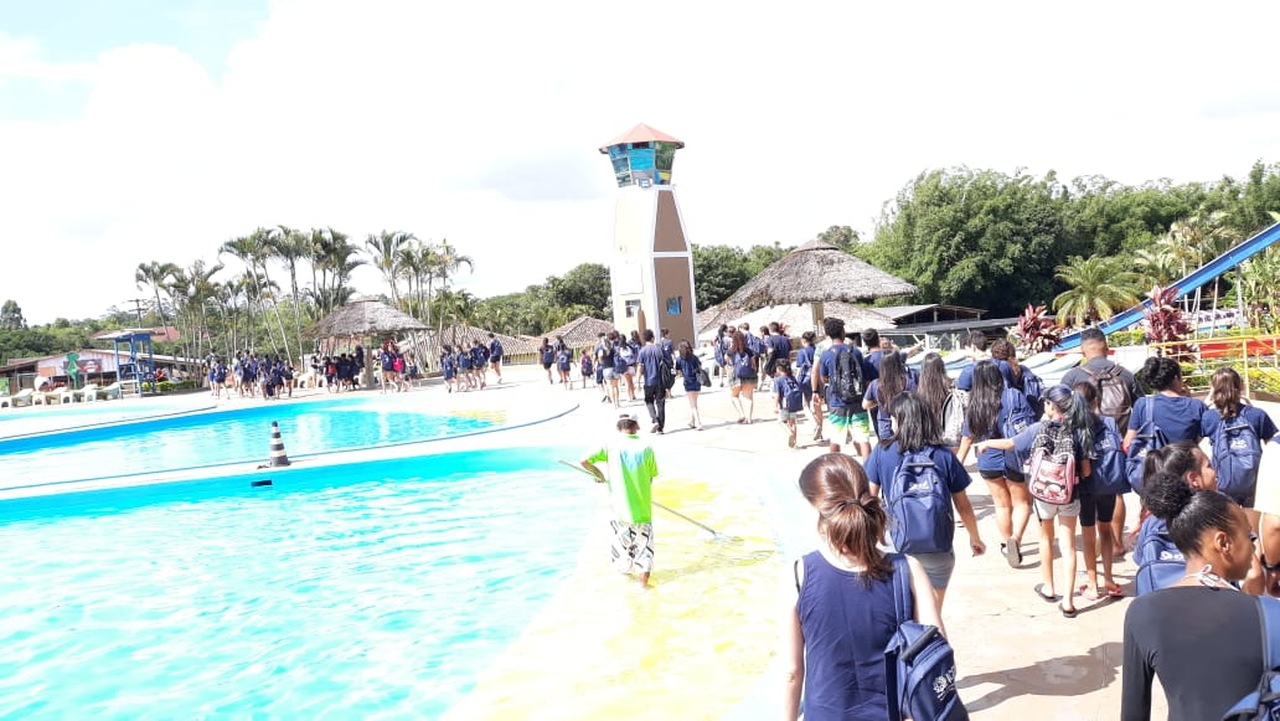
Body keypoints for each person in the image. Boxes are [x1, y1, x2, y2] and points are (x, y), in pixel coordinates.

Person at [782, 453, 944, 721]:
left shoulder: (800, 573)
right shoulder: (908, 568)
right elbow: (936, 649)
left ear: (817, 509)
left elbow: (792, 673)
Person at [1121, 471, 1266, 721]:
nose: (1254, 546)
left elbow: (1133, 714)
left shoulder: (1142, 611)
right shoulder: (1267, 615)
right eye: (1249, 536)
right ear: (1223, 543)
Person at [979, 385, 1093, 617]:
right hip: (1069, 494)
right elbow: (1086, 471)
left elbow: (1010, 444)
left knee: (1046, 539)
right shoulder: (1078, 431)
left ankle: (1049, 587)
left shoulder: (1038, 428)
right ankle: (1069, 602)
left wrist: (987, 443)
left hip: (1043, 494)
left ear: (1051, 406)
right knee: (1068, 546)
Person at [865, 393, 985, 613]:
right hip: (937, 545)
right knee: (932, 615)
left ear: (899, 419)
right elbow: (963, 505)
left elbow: (869, 500)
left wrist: (871, 540)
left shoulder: (882, 452)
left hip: (898, 545)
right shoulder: (943, 455)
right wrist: (975, 538)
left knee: (902, 613)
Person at [956, 360, 1035, 567]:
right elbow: (1029, 423)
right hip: (1013, 455)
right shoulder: (1013, 395)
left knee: (1001, 505)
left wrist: (957, 464)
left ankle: (1006, 542)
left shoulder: (974, 404)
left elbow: (967, 438)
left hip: (987, 460)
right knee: (1022, 503)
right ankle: (1015, 539)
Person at [580, 415, 659, 587]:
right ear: (637, 427)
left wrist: (598, 474)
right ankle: (643, 587)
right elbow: (651, 478)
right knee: (644, 553)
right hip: (642, 511)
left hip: (619, 512)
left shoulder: (610, 445)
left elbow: (584, 461)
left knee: (623, 555)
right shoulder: (646, 448)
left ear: (618, 428)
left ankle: (627, 589)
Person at [813, 317, 872, 459]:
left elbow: (824, 378)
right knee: (863, 439)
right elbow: (863, 375)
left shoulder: (826, 354)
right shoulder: (855, 351)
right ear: (842, 332)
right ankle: (868, 469)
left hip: (836, 401)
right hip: (857, 400)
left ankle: (834, 467)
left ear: (828, 334)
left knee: (836, 439)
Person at [637, 329, 667, 434]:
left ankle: (654, 419)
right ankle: (660, 428)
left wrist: (638, 382)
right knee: (660, 403)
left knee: (649, 401)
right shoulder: (659, 349)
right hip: (660, 381)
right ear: (653, 338)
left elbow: (640, 367)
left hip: (648, 381)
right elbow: (665, 363)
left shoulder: (642, 351)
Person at [772, 360, 804, 449]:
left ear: (779, 368)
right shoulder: (792, 377)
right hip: (794, 403)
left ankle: (789, 433)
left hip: (784, 403)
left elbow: (777, 394)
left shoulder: (778, 380)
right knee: (793, 422)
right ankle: (794, 443)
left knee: (781, 421)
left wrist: (775, 406)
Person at [675, 340, 703, 430]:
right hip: (697, 381)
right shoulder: (694, 357)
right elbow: (699, 366)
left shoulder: (679, 359)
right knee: (694, 403)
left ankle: (699, 423)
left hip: (688, 382)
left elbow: (678, 372)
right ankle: (692, 422)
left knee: (693, 405)